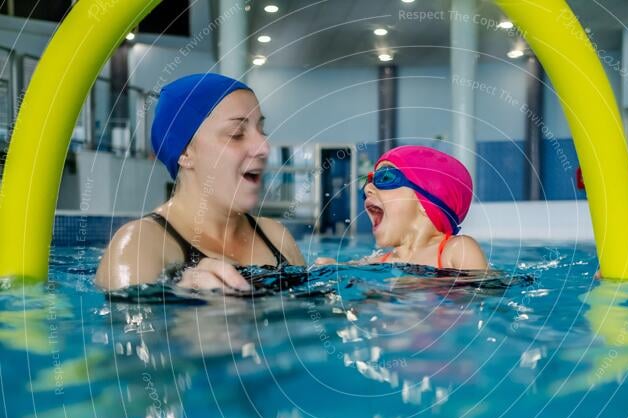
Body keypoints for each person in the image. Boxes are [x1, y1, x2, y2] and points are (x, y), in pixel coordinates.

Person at [96, 73, 304, 292]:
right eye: (237, 134)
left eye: (261, 131)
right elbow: (125, 324)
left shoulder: (275, 236)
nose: (264, 147)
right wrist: (190, 310)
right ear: (185, 152)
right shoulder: (139, 246)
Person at [317, 146, 488, 270]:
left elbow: (484, 297)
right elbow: (344, 268)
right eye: (369, 180)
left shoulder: (456, 250)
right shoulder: (380, 261)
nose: (368, 188)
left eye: (385, 177)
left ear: (426, 202)